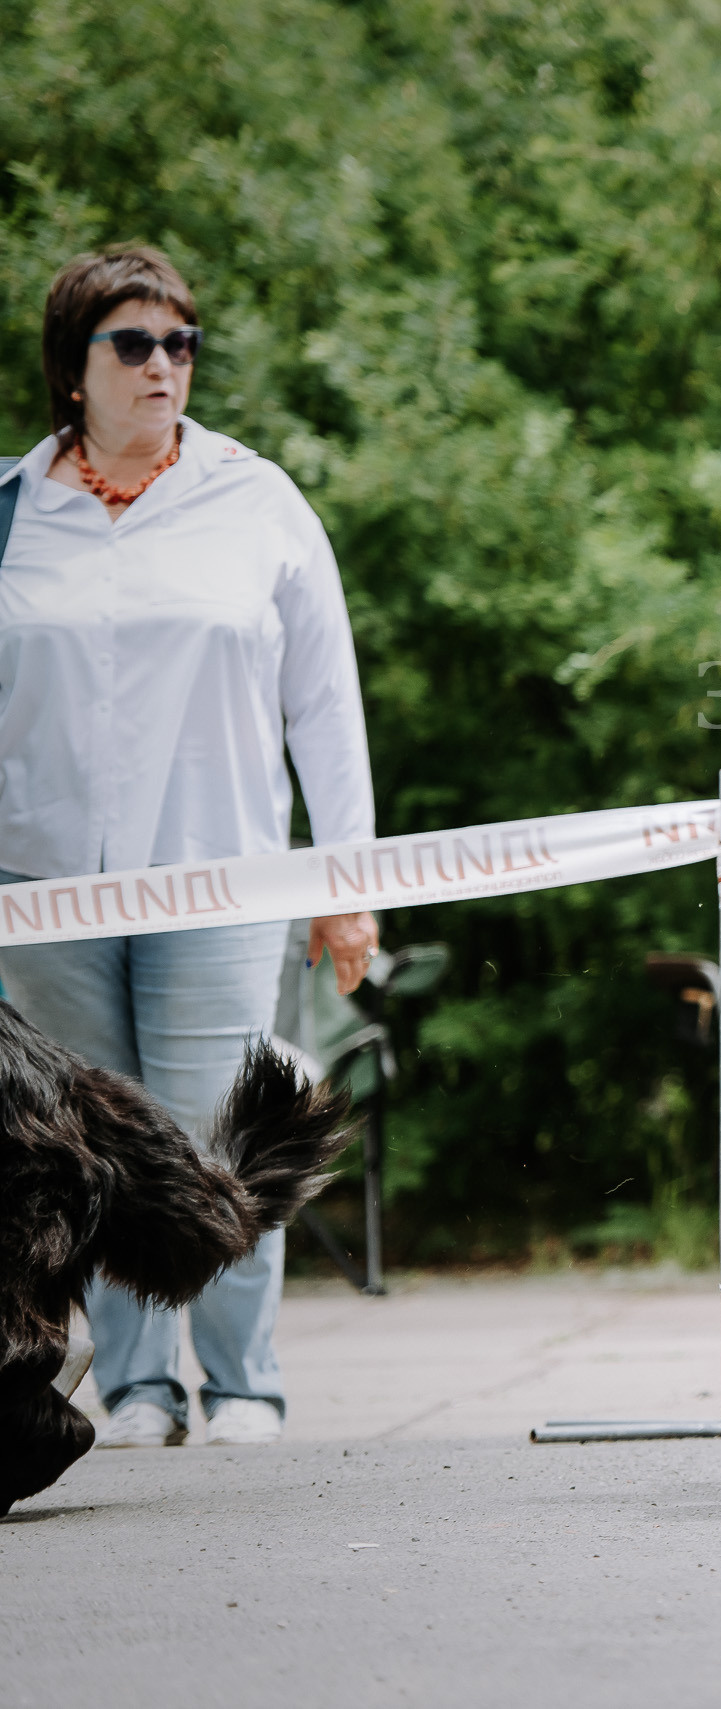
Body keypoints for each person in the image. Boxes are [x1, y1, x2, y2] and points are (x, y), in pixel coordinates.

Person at [0, 246, 377, 1449]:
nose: (164, 366)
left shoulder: (254, 495)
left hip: (222, 866)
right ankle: (138, 1387)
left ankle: (247, 1380)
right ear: (75, 366)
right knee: (84, 1151)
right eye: (133, 344)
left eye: (181, 345)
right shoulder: (12, 509)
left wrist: (347, 879)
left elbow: (325, 701)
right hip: (44, 879)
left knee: (218, 1127)